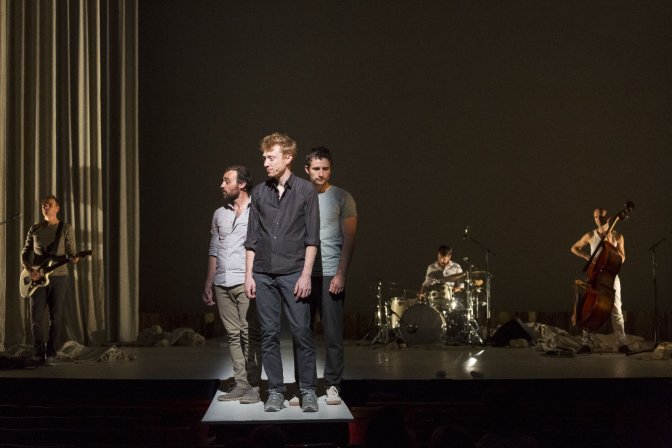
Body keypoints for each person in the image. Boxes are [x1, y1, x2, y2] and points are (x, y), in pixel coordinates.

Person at [244, 132, 320, 412]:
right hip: (263, 273)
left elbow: (312, 238)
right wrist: (249, 275)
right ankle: (276, 390)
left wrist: (306, 275)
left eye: (271, 157)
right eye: (264, 157)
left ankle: (308, 390)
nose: (265, 163)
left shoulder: (305, 191)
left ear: (288, 158)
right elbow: (252, 239)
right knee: (269, 334)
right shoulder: (259, 192)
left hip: (293, 273)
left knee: (302, 332)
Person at [301, 146, 357, 406]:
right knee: (302, 333)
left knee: (333, 334)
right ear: (307, 170)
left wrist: (341, 274)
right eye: (316, 169)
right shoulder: (299, 196)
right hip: (303, 274)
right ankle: (306, 387)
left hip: (330, 273)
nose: (321, 173)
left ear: (330, 169)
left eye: (325, 169)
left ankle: (333, 384)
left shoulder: (342, 197)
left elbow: (349, 239)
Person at [203, 165, 261, 404]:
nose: (222, 185)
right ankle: (241, 384)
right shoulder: (219, 213)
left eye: (227, 181)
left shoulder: (257, 210)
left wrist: (253, 276)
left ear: (242, 184)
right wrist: (209, 281)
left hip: (245, 281)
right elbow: (214, 249)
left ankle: (254, 385)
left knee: (250, 334)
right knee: (233, 335)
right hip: (222, 282)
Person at [21, 195, 80, 366]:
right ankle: (39, 353)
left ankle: (51, 354)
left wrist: (75, 258)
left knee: (56, 318)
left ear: (57, 208)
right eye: (44, 205)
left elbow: (72, 253)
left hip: (59, 278)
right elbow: (25, 253)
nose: (46, 207)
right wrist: (30, 270)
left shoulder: (66, 228)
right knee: (36, 319)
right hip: (37, 278)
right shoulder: (35, 229)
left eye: (49, 205)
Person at [570, 207, 630, 354]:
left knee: (616, 309)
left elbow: (623, 257)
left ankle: (622, 343)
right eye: (596, 217)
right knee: (589, 308)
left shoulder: (618, 236)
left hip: (611, 277)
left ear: (608, 218)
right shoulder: (590, 235)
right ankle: (587, 343)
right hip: (594, 275)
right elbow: (574, 248)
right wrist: (587, 257)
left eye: (601, 217)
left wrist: (610, 246)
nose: (598, 220)